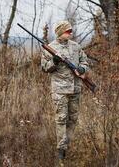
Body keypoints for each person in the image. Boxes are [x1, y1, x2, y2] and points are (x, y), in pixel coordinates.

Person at [41, 20, 89, 167]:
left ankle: (68, 145)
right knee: (61, 119)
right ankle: (61, 151)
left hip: (75, 89)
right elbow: (44, 68)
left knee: (73, 119)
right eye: (68, 31)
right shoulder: (50, 48)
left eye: (71, 31)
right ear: (60, 32)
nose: (71, 33)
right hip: (60, 90)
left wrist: (82, 69)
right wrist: (54, 62)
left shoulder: (76, 47)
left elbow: (85, 62)